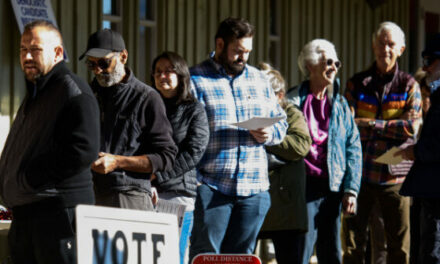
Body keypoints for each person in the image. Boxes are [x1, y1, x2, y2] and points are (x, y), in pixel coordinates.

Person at [0, 20, 100, 264]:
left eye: (35, 49)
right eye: (23, 50)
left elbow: (83, 150)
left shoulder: (73, 90)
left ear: (57, 52)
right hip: (27, 215)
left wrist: (29, 177)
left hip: (57, 216)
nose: (27, 56)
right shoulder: (38, 92)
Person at [188, 17, 288, 261]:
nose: (243, 58)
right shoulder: (195, 79)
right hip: (212, 187)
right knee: (206, 258)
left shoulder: (260, 79)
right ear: (220, 45)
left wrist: (269, 133)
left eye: (247, 52)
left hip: (254, 190)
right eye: (238, 51)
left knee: (242, 259)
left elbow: (281, 121)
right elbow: (184, 134)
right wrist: (197, 183)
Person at [343, 21, 422, 264]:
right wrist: (393, 127)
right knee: (354, 244)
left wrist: (371, 124)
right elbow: (348, 127)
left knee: (399, 247)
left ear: (401, 49)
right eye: (381, 43)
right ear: (373, 46)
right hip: (360, 175)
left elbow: (412, 129)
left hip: (395, 177)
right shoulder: (357, 83)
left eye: (391, 44)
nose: (385, 49)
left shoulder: (409, 85)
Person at [79, 29, 177, 210]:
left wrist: (118, 161)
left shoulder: (147, 97)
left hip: (129, 194)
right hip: (89, 194)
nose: (98, 70)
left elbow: (166, 156)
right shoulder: (87, 95)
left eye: (104, 63)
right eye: (91, 65)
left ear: (123, 57)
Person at [286, 38, 362, 264]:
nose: (333, 68)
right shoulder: (293, 101)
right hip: (303, 185)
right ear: (310, 65)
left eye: (337, 64)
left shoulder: (340, 105)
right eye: (329, 62)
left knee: (331, 252)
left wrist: (351, 189)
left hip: (332, 186)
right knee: (302, 249)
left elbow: (353, 147)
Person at [150, 51, 209, 264]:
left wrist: (159, 176)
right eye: (158, 72)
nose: (162, 76)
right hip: (146, 191)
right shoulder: (147, 106)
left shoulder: (194, 109)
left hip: (177, 192)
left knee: (174, 255)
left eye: (168, 71)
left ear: (181, 75)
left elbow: (194, 151)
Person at [257, 62, 312, 264]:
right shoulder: (249, 112)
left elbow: (300, 145)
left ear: (280, 96)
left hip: (285, 203)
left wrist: (268, 138)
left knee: (288, 257)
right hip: (254, 198)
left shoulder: (291, 114)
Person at [397, 32, 440, 264]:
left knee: (431, 253)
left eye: (430, 61)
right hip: (428, 192)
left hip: (436, 195)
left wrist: (418, 151)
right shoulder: (437, 93)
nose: (426, 68)